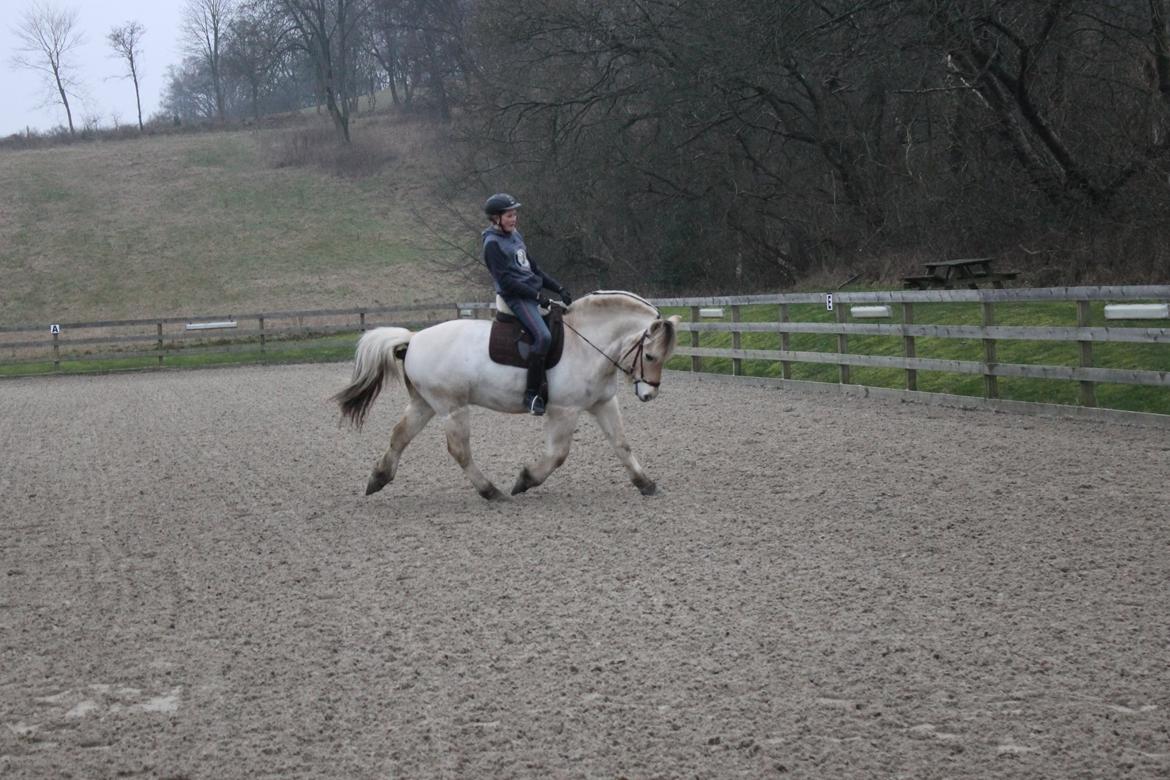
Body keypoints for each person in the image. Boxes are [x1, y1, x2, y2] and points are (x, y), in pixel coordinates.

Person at [481, 193, 573, 416]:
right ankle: (532, 394)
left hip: (530, 292)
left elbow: (534, 269)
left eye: (515, 215)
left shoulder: (515, 235)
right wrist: (537, 297)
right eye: (509, 215)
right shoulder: (492, 245)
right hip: (515, 297)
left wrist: (558, 288)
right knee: (543, 337)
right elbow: (507, 282)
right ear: (496, 218)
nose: (514, 219)